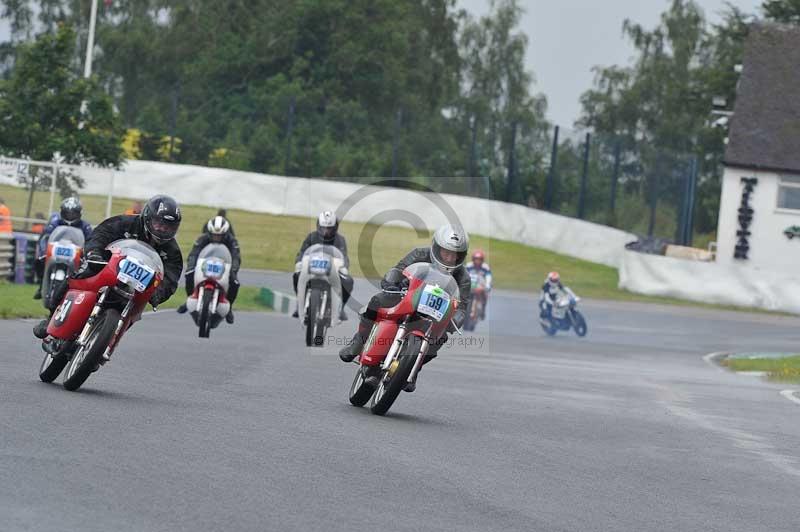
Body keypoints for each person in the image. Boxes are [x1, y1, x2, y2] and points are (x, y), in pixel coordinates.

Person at [338, 224, 471, 393]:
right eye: (446, 252)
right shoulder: (419, 254)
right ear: (436, 247)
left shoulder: (463, 277)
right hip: (406, 297)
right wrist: (392, 282)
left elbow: (462, 305)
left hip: (433, 314)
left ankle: (414, 368)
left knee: (441, 337)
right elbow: (398, 269)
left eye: (455, 255)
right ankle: (359, 341)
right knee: (377, 300)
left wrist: (456, 319)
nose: (450, 258)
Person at [33, 195, 183, 340]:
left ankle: (106, 344)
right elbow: (100, 234)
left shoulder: (172, 251)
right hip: (106, 265)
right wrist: (94, 254)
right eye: (159, 223)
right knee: (78, 275)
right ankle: (51, 317)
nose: (163, 229)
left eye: (168, 226)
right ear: (147, 217)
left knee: (135, 313)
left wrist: (159, 293)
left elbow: (171, 277)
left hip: (137, 286)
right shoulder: (125, 222)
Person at [177, 215, 241, 324]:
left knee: (235, 282)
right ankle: (190, 298)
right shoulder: (202, 239)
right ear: (210, 233)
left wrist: (233, 270)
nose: (217, 237)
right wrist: (191, 266)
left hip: (224, 266)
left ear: (225, 234)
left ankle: (229, 307)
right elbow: (194, 254)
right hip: (206, 264)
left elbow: (236, 257)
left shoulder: (232, 241)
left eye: (220, 235)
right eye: (214, 235)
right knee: (189, 274)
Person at [292, 211, 352, 321]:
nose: (326, 231)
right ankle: (300, 301)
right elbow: (302, 252)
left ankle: (341, 308)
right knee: (297, 275)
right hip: (313, 268)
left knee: (348, 281)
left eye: (329, 228)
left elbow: (344, 256)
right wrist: (299, 262)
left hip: (331, 271)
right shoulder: (312, 237)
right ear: (318, 226)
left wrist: (344, 267)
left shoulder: (340, 240)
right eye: (323, 228)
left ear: (335, 228)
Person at [33, 197, 93, 300]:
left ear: (79, 213)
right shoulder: (55, 222)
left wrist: (87, 254)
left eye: (73, 213)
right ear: (62, 212)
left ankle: (77, 293)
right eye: (67, 213)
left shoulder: (85, 226)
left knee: (86, 272)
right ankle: (40, 284)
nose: (70, 216)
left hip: (75, 254)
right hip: (56, 251)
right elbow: (45, 237)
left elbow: (91, 241)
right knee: (39, 261)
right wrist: (43, 251)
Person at [466, 249, 493, 319]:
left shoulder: (485, 267)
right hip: (471, 286)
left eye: (479, 259)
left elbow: (488, 277)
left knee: (485, 296)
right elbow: (465, 275)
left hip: (481, 286)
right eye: (476, 259)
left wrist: (487, 285)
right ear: (473, 259)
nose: (477, 261)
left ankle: (483, 309)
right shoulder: (468, 266)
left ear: (482, 260)